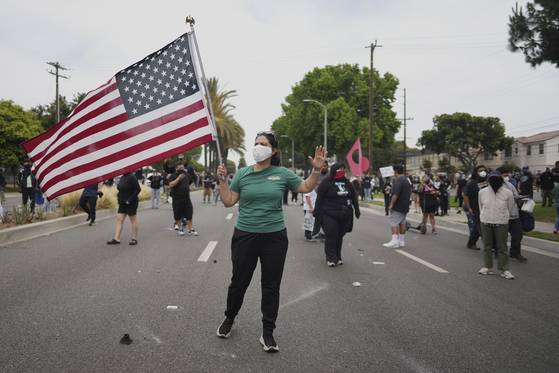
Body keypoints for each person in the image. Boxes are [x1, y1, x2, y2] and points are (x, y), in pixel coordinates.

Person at [215, 131, 325, 353]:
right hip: (245, 236)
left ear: (273, 150)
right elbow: (228, 201)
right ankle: (229, 318)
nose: (258, 146)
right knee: (239, 282)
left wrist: (316, 170)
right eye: (256, 143)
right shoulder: (243, 174)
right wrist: (222, 181)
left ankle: (268, 332)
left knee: (271, 286)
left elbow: (305, 187)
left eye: (263, 144)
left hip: (274, 237)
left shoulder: (282, 173)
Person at [315, 163, 360, 266]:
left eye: (343, 169)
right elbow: (320, 198)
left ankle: (338, 256)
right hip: (330, 213)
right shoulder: (326, 182)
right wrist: (317, 212)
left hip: (345, 214)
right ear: (334, 170)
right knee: (331, 234)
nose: (342, 171)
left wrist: (357, 210)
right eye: (339, 169)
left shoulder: (348, 183)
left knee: (340, 235)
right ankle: (330, 258)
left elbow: (354, 197)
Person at [478, 171, 516, 280]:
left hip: (501, 222)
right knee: (487, 246)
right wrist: (485, 216)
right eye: (492, 179)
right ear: (489, 180)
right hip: (486, 221)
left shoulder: (507, 193)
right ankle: (487, 267)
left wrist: (502, 216)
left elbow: (510, 207)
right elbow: (481, 206)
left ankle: (505, 269)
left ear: (501, 180)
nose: (494, 181)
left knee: (502, 247)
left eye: (497, 179)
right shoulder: (482, 192)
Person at [498, 167, 528, 262]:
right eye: (505, 175)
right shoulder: (494, 186)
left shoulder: (510, 185)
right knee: (501, 236)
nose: (507, 177)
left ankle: (515, 253)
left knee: (518, 234)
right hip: (501, 216)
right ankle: (499, 252)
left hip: (514, 215)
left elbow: (516, 195)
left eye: (508, 175)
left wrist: (521, 199)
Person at [382, 165, 412, 248]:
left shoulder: (398, 180)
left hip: (398, 206)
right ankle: (401, 241)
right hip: (405, 205)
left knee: (394, 223)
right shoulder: (406, 180)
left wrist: (391, 205)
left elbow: (396, 194)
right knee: (402, 223)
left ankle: (394, 241)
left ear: (395, 171)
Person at [107, 172, 141, 245]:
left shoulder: (132, 177)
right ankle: (116, 239)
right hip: (122, 203)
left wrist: (129, 200)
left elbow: (138, 189)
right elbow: (120, 189)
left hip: (131, 202)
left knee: (133, 220)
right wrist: (119, 198)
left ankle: (134, 239)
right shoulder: (122, 177)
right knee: (119, 219)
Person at [168, 162, 198, 236]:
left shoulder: (187, 175)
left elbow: (191, 182)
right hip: (177, 199)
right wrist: (178, 178)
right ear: (176, 168)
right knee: (178, 216)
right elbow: (171, 184)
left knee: (189, 214)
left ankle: (191, 229)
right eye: (180, 168)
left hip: (187, 199)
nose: (182, 169)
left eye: (183, 168)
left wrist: (191, 187)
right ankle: (180, 229)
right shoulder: (173, 175)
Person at [463, 165, 488, 250]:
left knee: (476, 228)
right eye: (480, 170)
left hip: (486, 208)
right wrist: (469, 207)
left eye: (484, 170)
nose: (483, 172)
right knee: (480, 227)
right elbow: (466, 196)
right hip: (475, 208)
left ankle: (471, 243)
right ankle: (488, 245)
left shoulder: (488, 182)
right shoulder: (472, 183)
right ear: (476, 172)